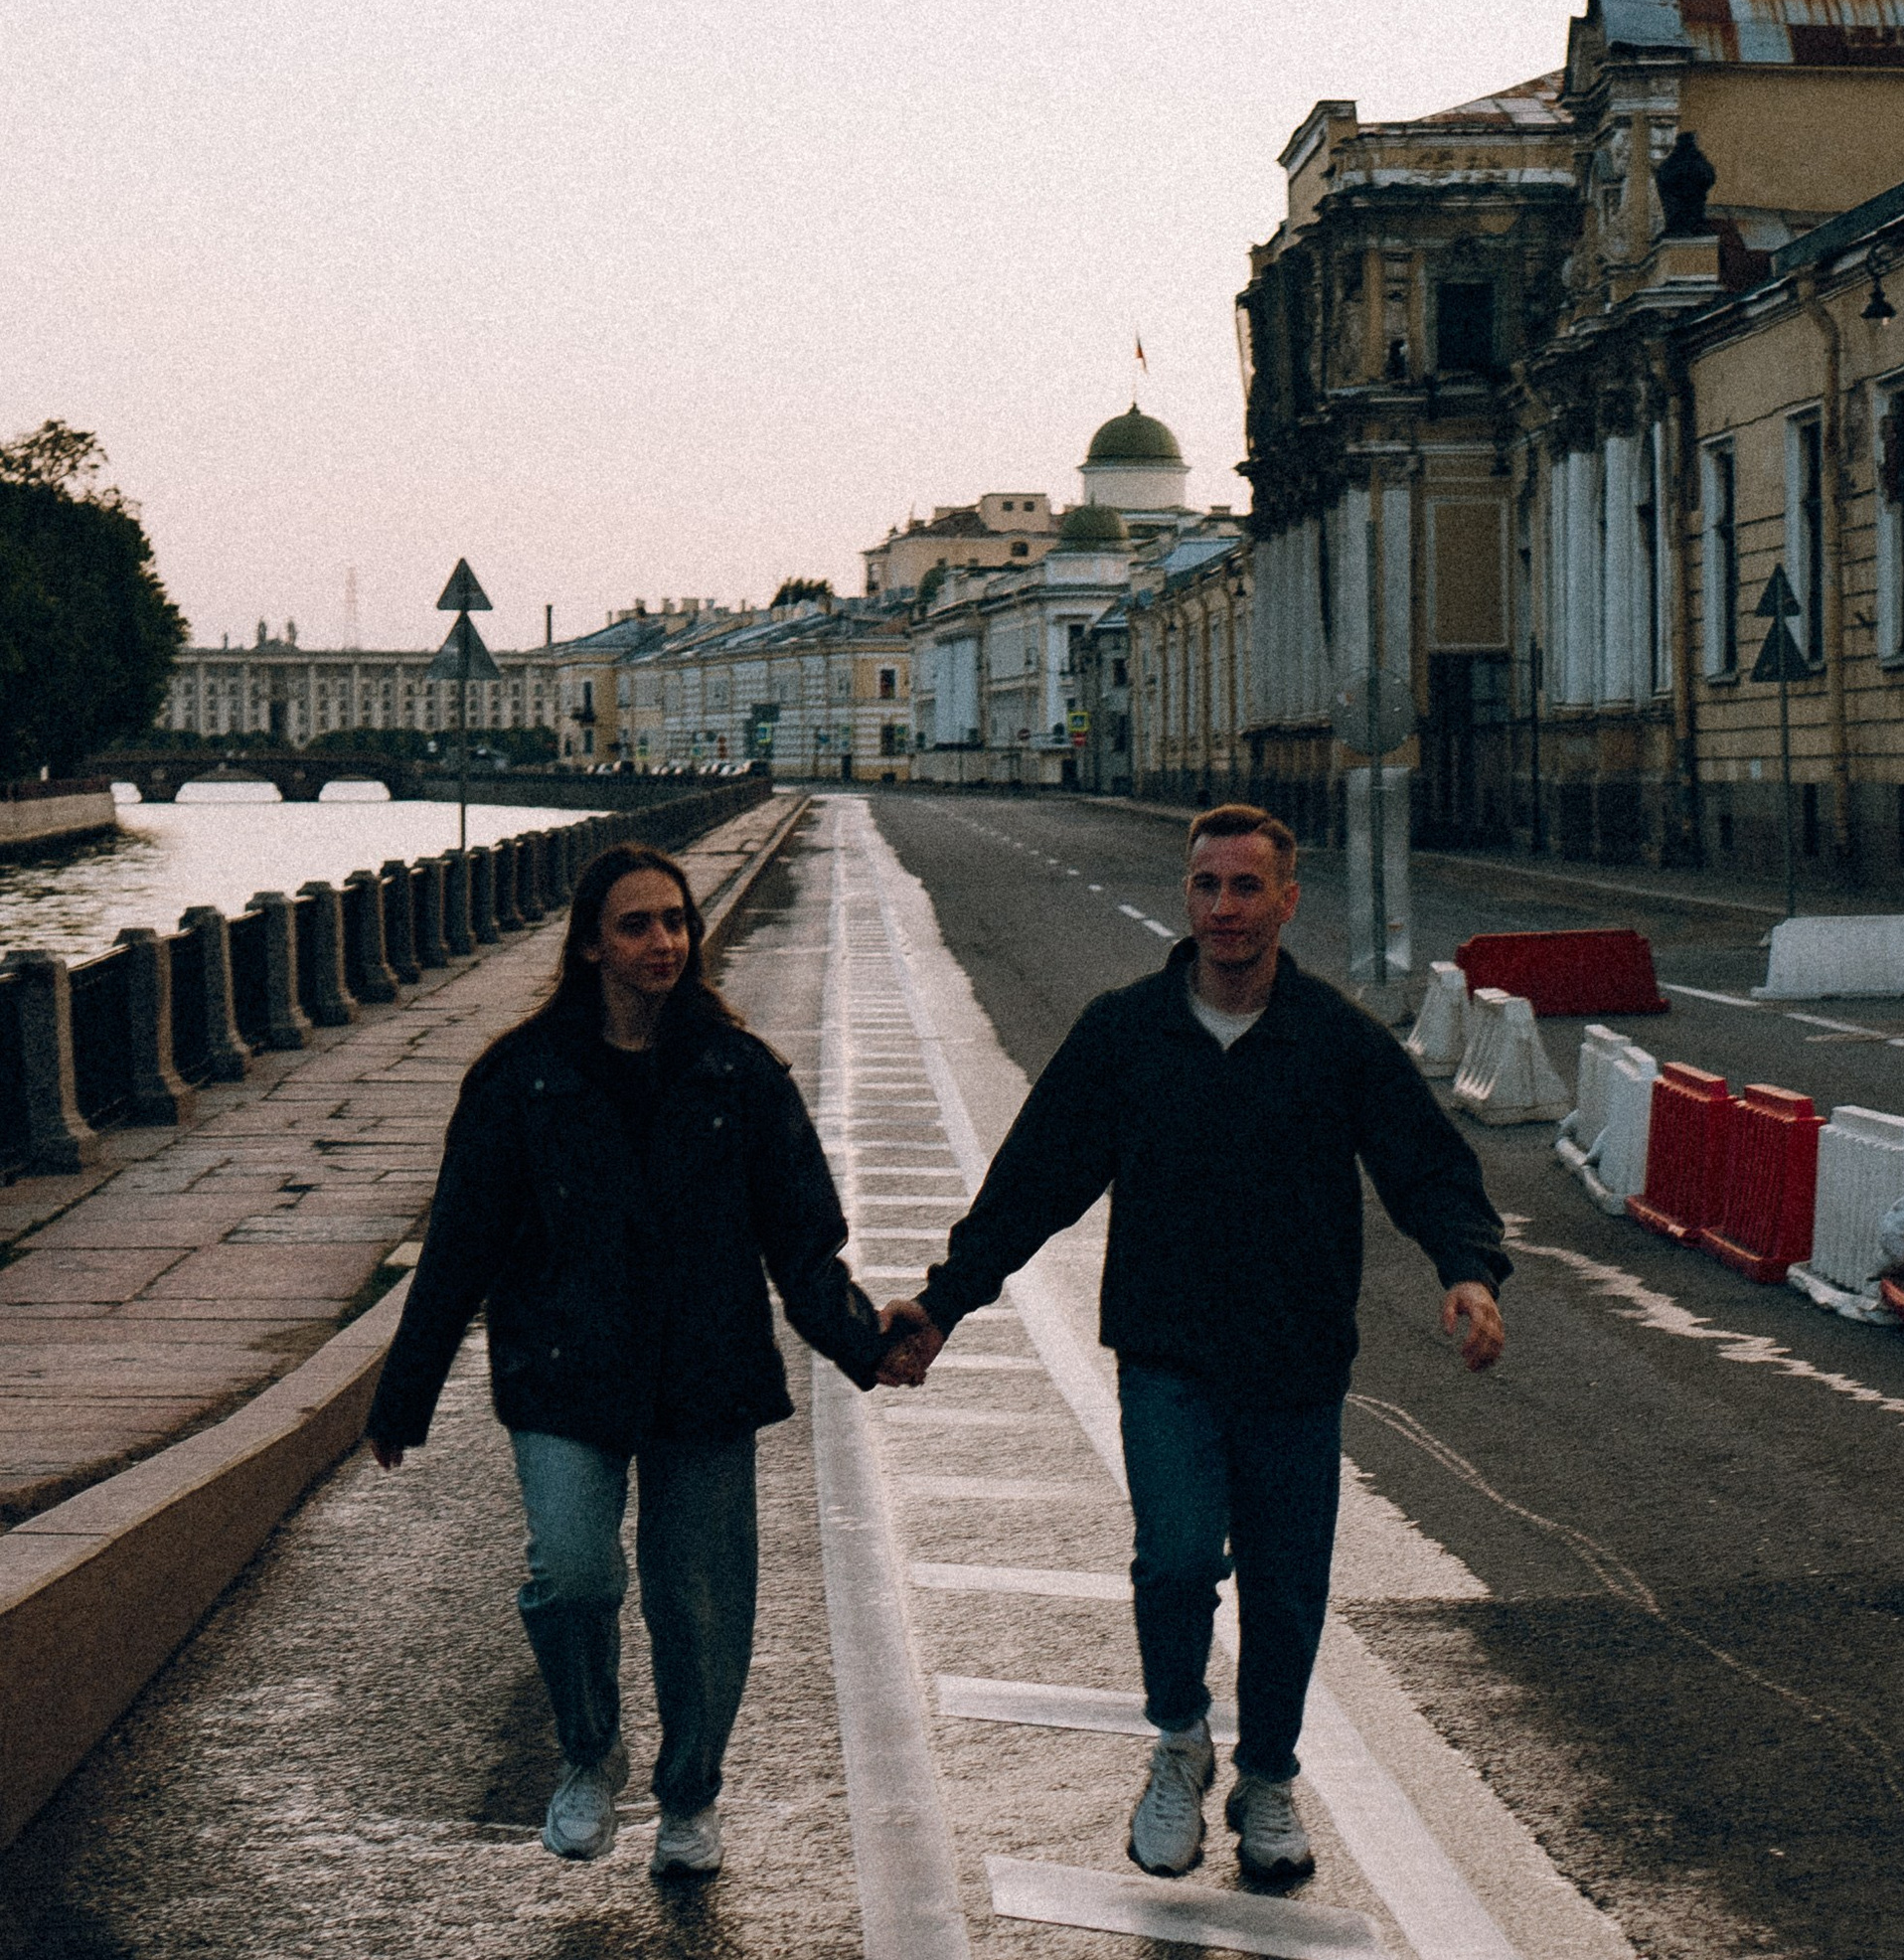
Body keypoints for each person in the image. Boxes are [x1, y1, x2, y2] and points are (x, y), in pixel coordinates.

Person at [875, 806, 1507, 1890]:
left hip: (1297, 1359)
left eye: (1246, 888)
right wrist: (945, 1304)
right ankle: (1177, 1747)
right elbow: (1035, 1181)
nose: (1225, 909)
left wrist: (1468, 1270)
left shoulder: (1332, 1036)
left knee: (1283, 1583)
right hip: (1166, 1352)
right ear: (1187, 897)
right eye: (1207, 886)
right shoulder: (1125, 1032)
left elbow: (1426, 1165)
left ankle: (1266, 1782)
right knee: (1174, 1560)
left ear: (1287, 901)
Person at [368, 838, 888, 1878]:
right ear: (590, 946)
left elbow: (803, 1242)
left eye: (675, 922)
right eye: (637, 924)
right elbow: (460, 1245)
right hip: (565, 1369)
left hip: (706, 1372)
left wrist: (869, 1345)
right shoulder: (522, 1080)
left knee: (699, 1605)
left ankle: (691, 1794)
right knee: (572, 1575)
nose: (663, 942)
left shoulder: (740, 1076)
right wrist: (405, 1394)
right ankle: (589, 1753)